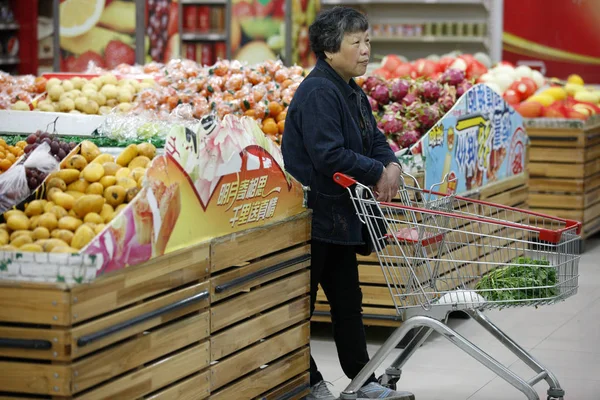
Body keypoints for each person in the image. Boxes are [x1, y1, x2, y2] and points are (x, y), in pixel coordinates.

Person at [281, 6, 415, 400]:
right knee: (300, 308)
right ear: (327, 48)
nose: (365, 50)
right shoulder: (321, 91)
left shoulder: (350, 89)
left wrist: (389, 163)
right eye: (355, 42)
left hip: (340, 216)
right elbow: (328, 154)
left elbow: (373, 137)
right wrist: (376, 171)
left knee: (347, 304)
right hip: (313, 218)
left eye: (367, 40)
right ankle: (308, 382)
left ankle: (362, 383)